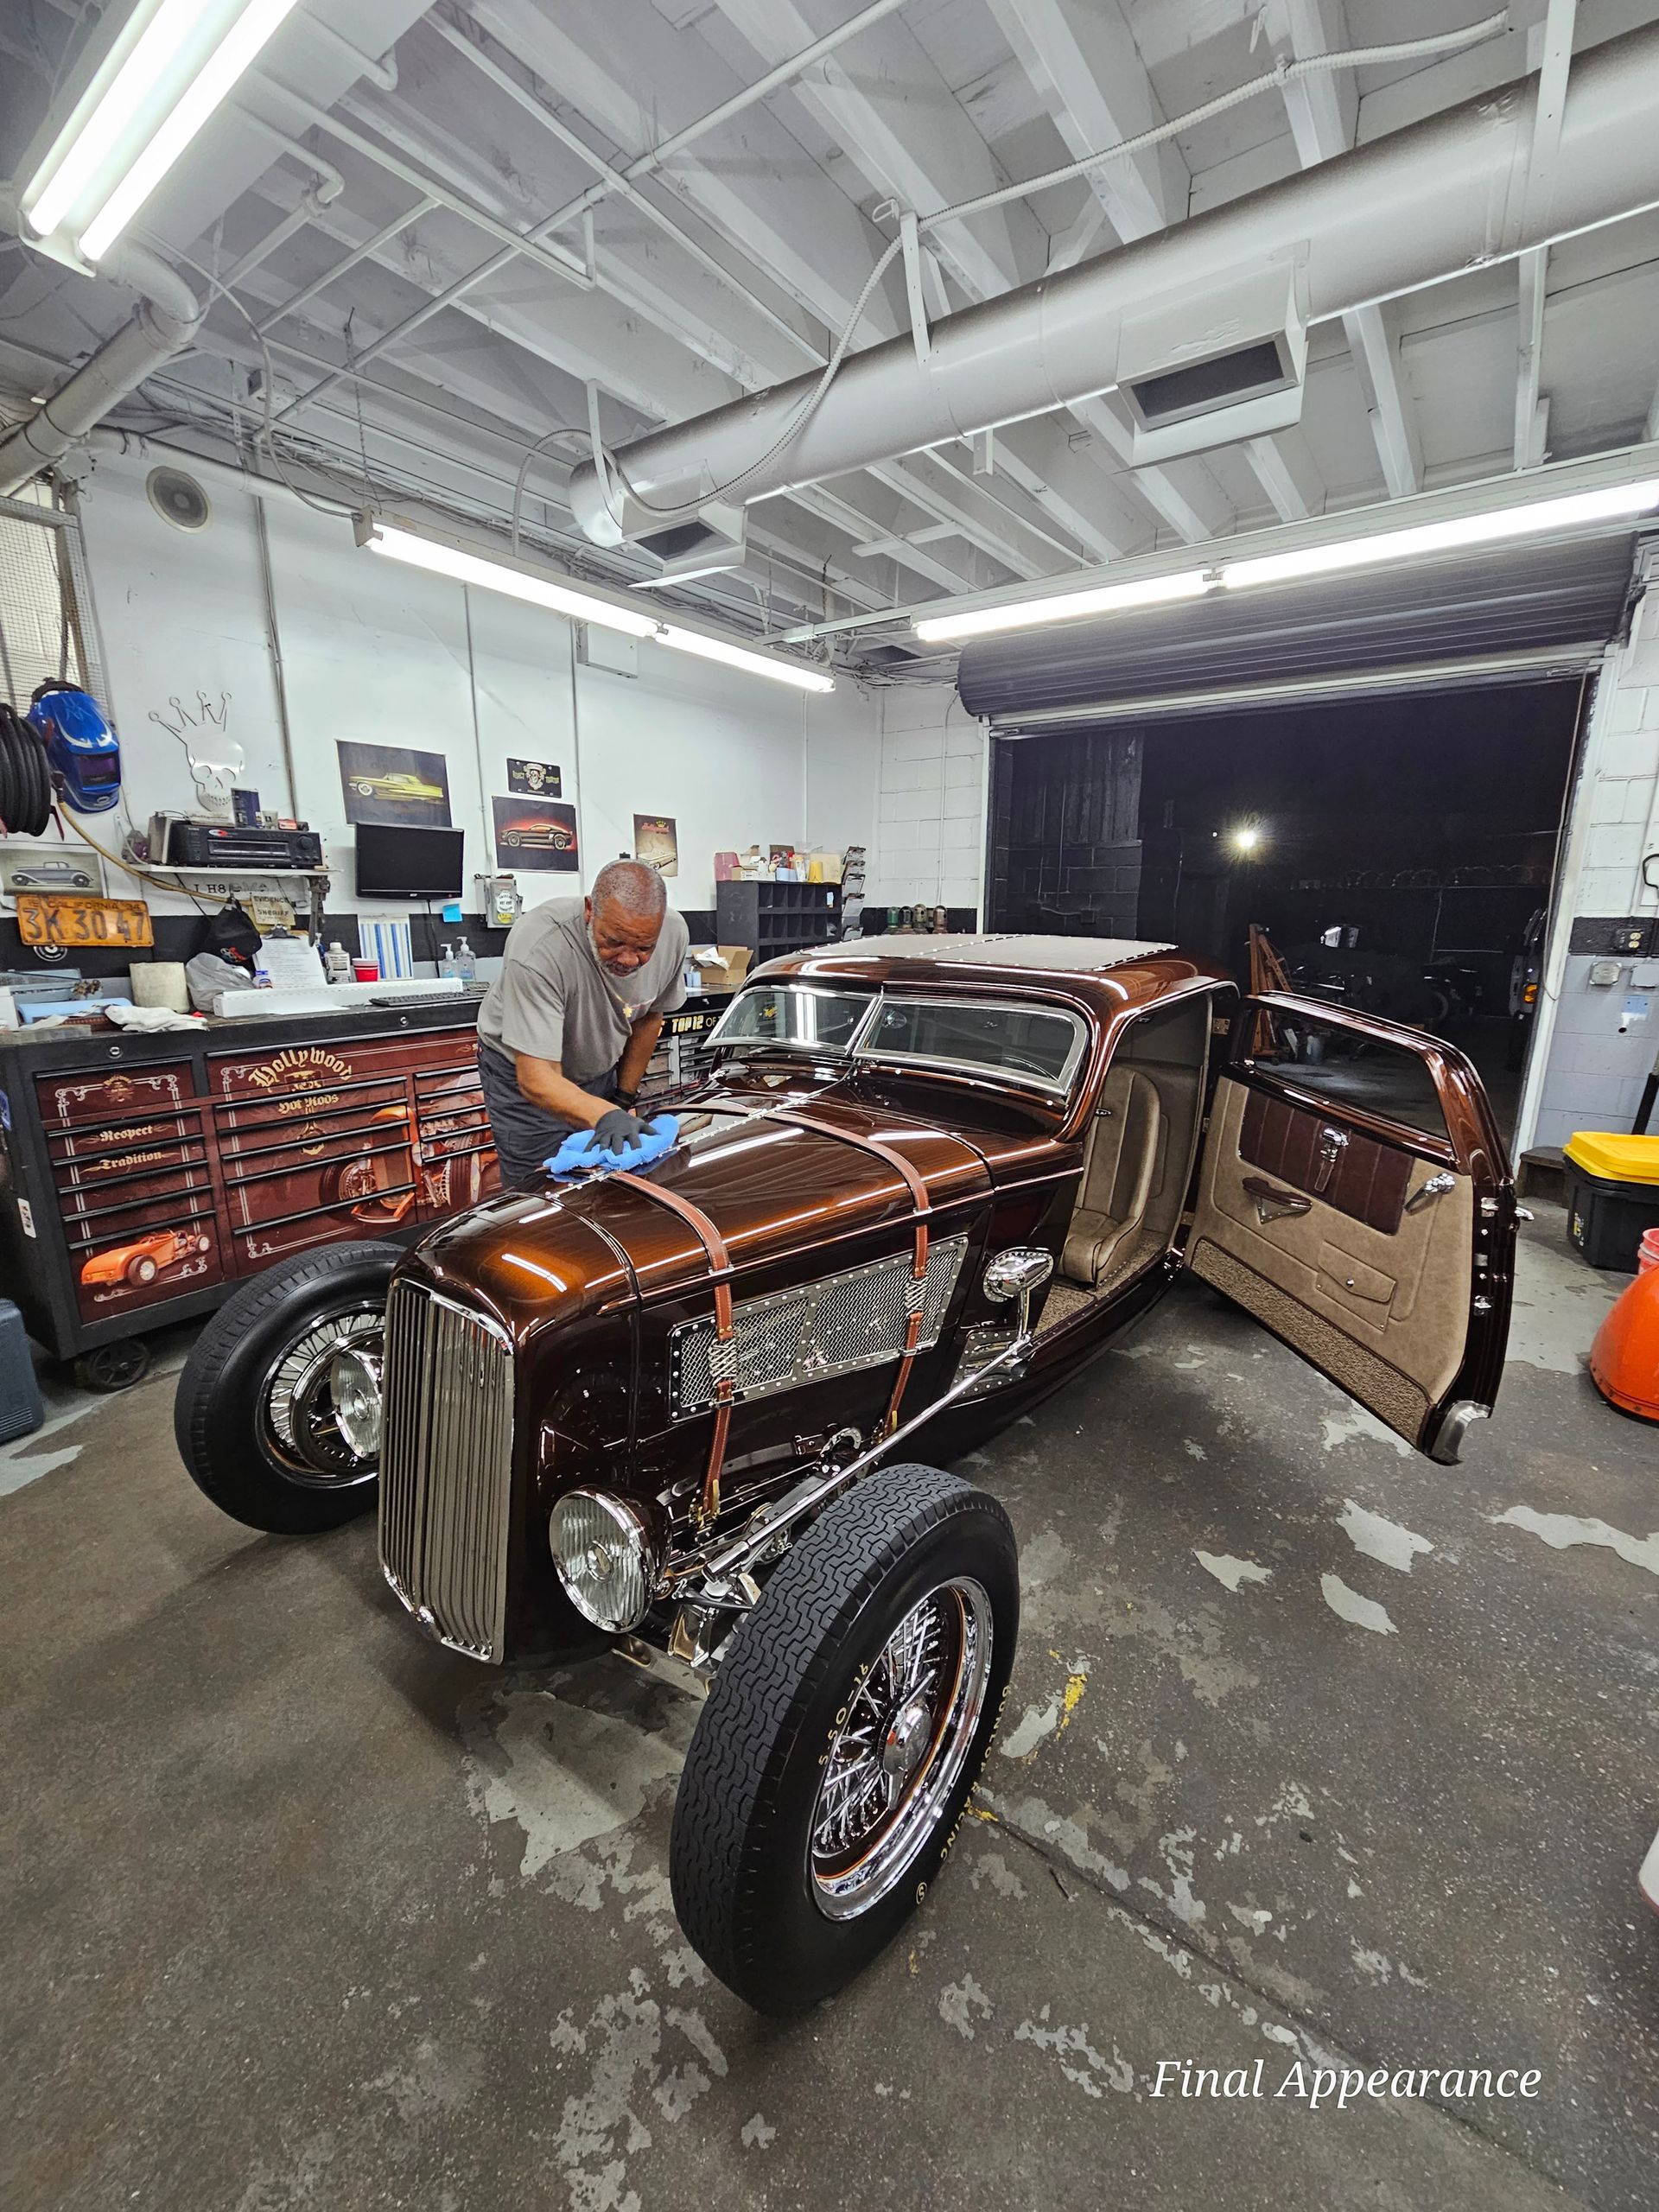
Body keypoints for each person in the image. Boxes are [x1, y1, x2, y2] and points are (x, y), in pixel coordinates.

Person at [475, 859, 689, 1190]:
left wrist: (621, 1100)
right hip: (525, 1079)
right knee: (539, 1191)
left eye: (644, 948)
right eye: (614, 942)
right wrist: (603, 1115)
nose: (629, 959)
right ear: (590, 910)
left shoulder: (673, 933)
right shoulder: (541, 945)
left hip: (598, 1070)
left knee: (607, 1184)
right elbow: (536, 1077)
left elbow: (649, 1017)